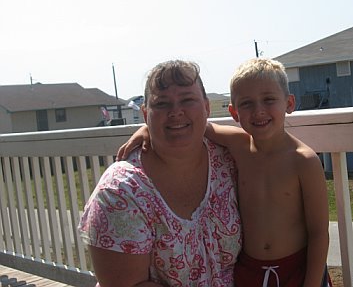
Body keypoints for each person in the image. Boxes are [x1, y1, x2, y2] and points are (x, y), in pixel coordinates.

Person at [119, 58, 331, 287]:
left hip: (295, 268)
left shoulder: (304, 160)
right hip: (249, 270)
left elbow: (319, 232)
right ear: (234, 111)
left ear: (289, 103)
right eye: (247, 103)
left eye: (268, 99)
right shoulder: (239, 145)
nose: (258, 111)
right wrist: (147, 128)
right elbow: (195, 125)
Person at [78, 60, 242, 287]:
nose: (176, 111)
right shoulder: (121, 190)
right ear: (146, 114)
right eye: (162, 104)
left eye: (187, 100)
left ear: (206, 107)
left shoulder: (231, 162)